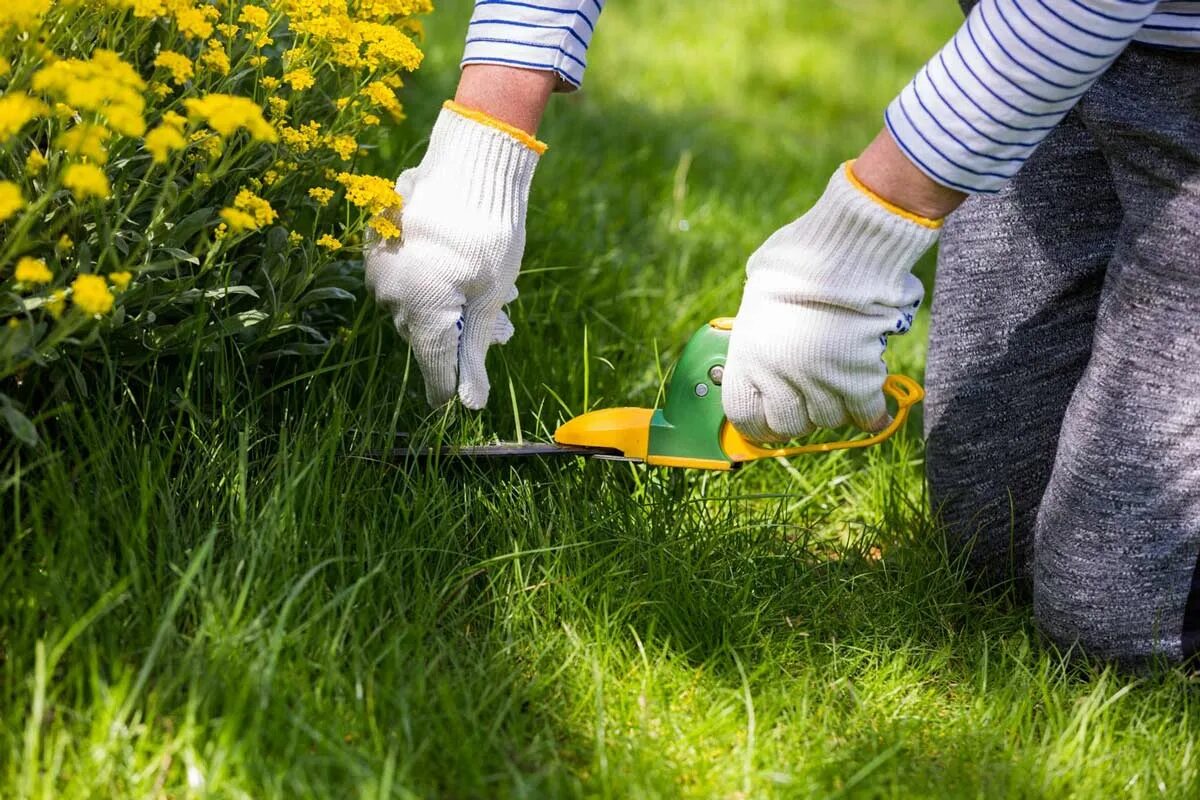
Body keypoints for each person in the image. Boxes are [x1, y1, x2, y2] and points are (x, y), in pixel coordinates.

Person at [364, 0, 1200, 668]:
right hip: (1040, 62)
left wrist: (856, 243)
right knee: (990, 541)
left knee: (1116, 616)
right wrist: (484, 138)